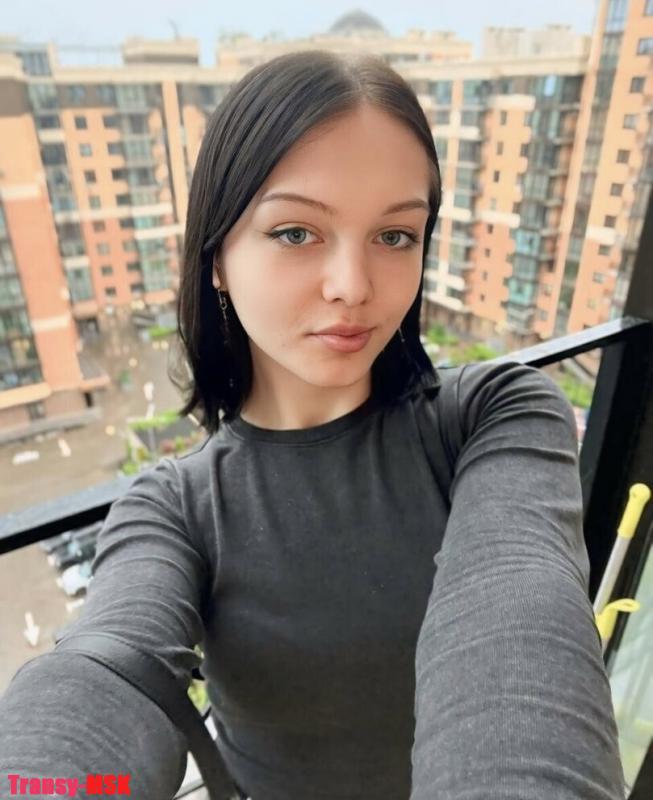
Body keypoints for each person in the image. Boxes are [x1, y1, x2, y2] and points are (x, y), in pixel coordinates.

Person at [0, 50, 624, 800]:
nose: (352, 287)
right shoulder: (176, 509)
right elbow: (103, 675)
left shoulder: (494, 417)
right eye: (296, 233)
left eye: (395, 236)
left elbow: (516, 605)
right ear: (217, 259)